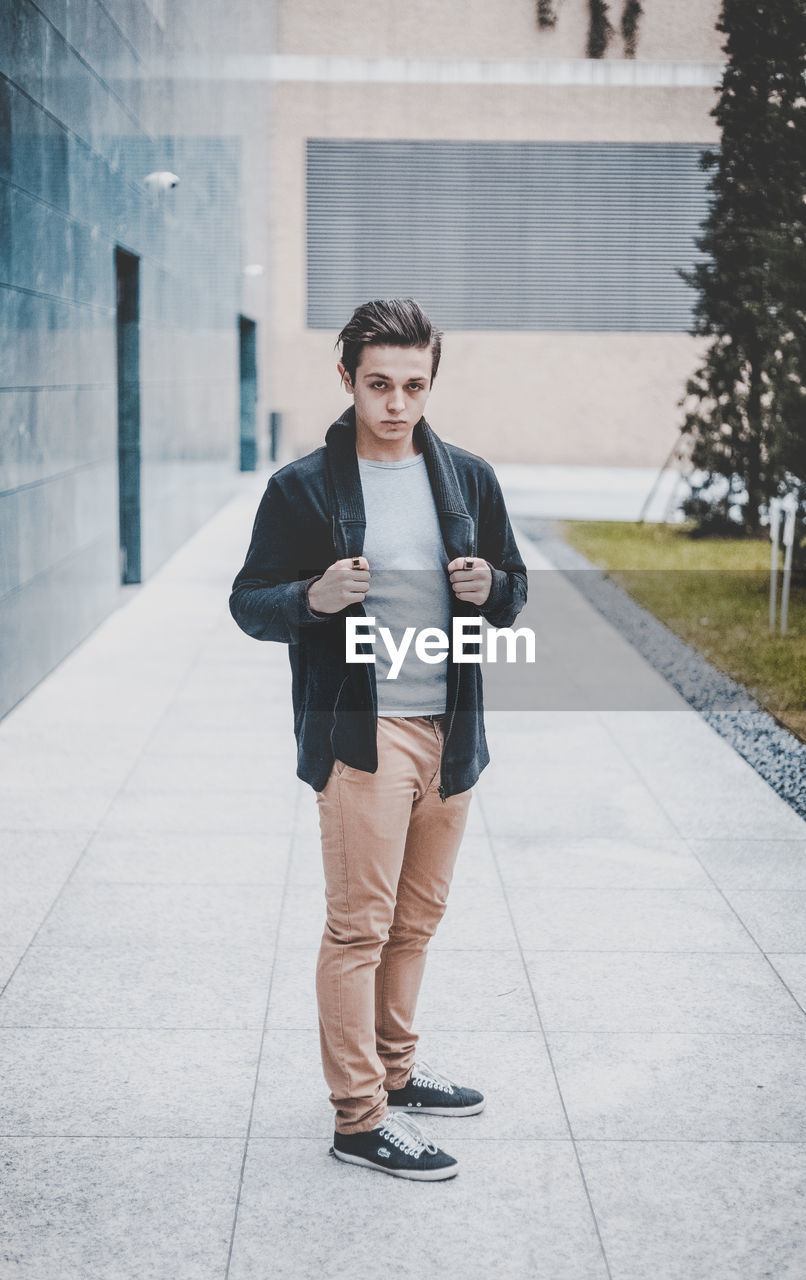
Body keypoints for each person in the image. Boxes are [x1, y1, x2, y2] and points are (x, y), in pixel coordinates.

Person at [229, 298, 527, 1180]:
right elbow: (250, 602)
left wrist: (491, 587)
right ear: (346, 378)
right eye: (378, 385)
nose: (396, 404)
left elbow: (514, 591)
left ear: (431, 382)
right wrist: (309, 599)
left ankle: (394, 1075)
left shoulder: (467, 478)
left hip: (452, 729)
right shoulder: (303, 489)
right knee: (358, 929)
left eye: (413, 385)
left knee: (415, 923)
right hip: (362, 734)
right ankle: (358, 1119)